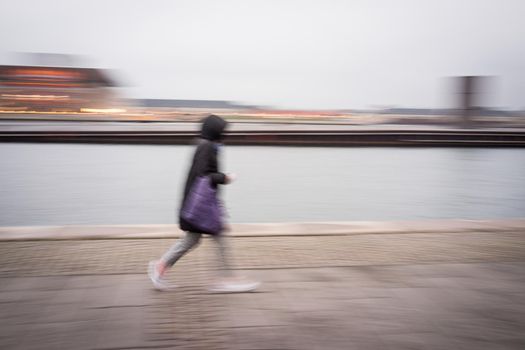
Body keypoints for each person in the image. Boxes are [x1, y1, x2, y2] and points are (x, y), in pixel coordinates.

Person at [148, 114, 259, 292]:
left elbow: (203, 179)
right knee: (216, 236)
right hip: (198, 205)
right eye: (222, 130)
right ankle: (226, 279)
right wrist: (225, 177)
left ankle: (160, 267)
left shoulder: (207, 145)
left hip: (197, 204)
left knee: (192, 240)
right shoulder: (206, 147)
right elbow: (204, 176)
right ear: (215, 131)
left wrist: (219, 206)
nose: (225, 133)